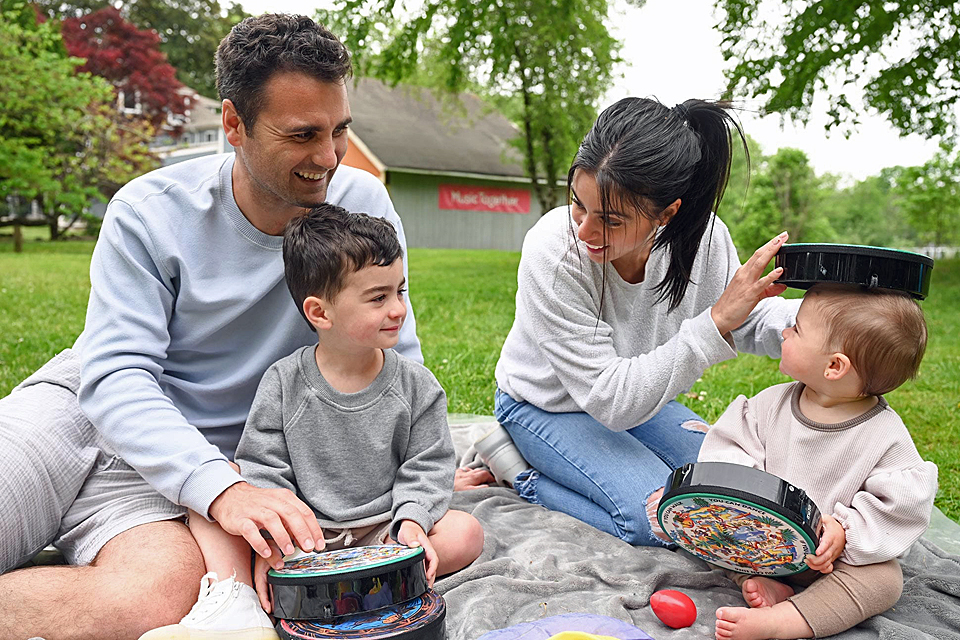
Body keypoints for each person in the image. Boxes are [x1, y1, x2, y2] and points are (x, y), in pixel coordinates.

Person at [0, 14, 424, 638]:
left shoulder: (363, 206)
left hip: (189, 473)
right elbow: (116, 374)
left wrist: (417, 455)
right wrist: (224, 490)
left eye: (339, 131)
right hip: (79, 413)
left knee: (152, 600)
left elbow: (392, 356)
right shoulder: (148, 211)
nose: (328, 158)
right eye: (303, 134)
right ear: (233, 125)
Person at [141, 205, 484, 638]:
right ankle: (243, 600)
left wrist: (412, 522)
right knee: (215, 488)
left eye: (400, 291)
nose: (397, 309)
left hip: (382, 533)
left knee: (466, 531)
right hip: (305, 538)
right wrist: (277, 542)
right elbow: (263, 466)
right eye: (378, 298)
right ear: (320, 313)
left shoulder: (417, 385)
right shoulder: (284, 382)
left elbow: (428, 465)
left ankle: (355, 586)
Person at [491, 97, 800, 546]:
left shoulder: (702, 238)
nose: (585, 231)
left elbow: (743, 318)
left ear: (667, 213)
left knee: (731, 500)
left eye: (611, 220)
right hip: (545, 405)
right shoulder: (554, 253)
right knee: (656, 519)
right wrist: (713, 324)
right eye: (579, 204)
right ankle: (515, 471)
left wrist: (823, 321)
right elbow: (611, 399)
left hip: (640, 402)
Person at [701, 283, 937, 640]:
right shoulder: (770, 405)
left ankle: (786, 620)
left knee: (885, 580)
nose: (783, 331)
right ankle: (760, 581)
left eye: (795, 329)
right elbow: (729, 449)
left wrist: (846, 532)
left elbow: (899, 507)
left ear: (834, 366)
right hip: (762, 543)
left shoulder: (884, 436)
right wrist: (742, 506)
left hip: (831, 564)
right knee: (706, 533)